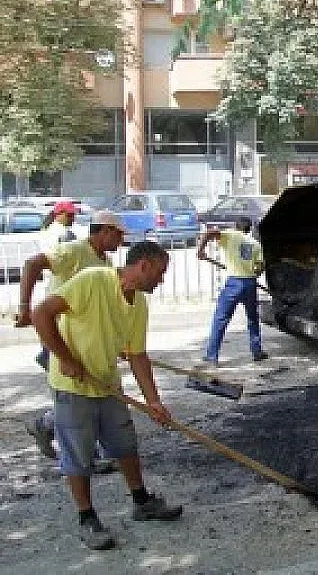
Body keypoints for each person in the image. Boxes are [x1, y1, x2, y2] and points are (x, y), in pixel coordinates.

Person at [31, 241, 182, 550]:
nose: (162, 280)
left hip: (108, 385)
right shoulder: (94, 280)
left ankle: (142, 502)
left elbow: (138, 355)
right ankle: (87, 518)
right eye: (161, 272)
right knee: (79, 456)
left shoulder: (138, 303)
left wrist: (153, 402)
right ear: (144, 266)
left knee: (125, 444)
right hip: (72, 387)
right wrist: (65, 358)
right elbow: (41, 314)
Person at [17, 210, 125, 469]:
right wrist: (25, 307)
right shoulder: (74, 251)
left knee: (90, 392)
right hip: (59, 335)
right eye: (119, 235)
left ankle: (60, 434)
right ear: (106, 231)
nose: (120, 241)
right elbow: (33, 264)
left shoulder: (105, 263)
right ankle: (56, 433)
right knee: (76, 395)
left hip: (88, 337)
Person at [197, 217, 267, 365]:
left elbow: (210, 232)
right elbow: (260, 267)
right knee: (252, 318)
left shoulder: (230, 235)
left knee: (221, 318)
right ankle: (257, 351)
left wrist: (200, 249)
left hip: (234, 283)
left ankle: (212, 356)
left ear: (237, 227)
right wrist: (253, 273)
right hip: (250, 283)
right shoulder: (256, 244)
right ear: (249, 229)